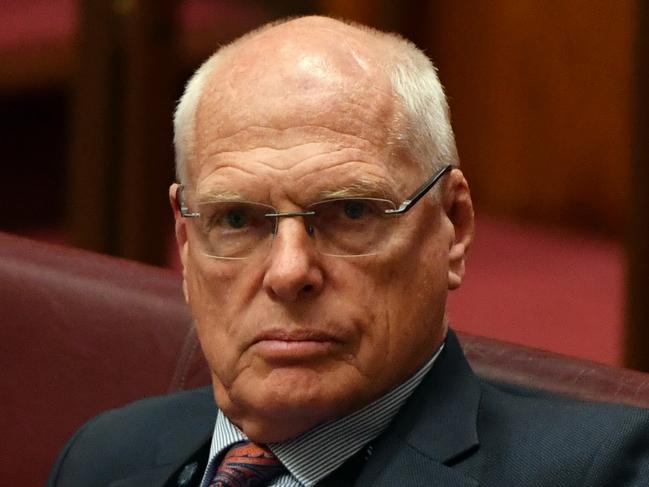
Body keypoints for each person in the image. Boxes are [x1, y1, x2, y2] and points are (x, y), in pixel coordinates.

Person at [47, 16, 649, 487]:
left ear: (454, 225)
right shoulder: (102, 457)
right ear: (185, 244)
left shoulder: (603, 472)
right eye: (236, 219)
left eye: (351, 213)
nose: (289, 272)